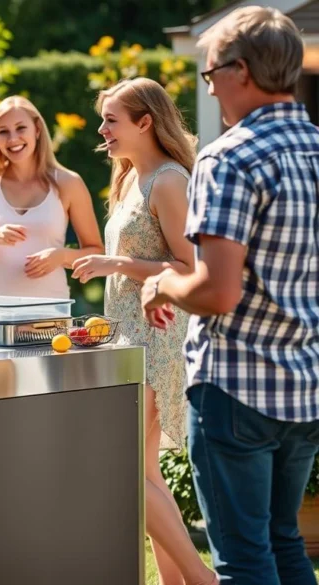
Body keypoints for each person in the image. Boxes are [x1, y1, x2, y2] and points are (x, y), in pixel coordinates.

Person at [141, 7, 319, 583]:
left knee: (244, 560)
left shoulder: (229, 155)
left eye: (209, 71)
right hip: (307, 385)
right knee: (283, 540)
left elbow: (217, 291)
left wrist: (160, 281)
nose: (209, 85)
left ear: (241, 70)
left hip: (237, 386)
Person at [72, 78, 216, 585]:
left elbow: (188, 267)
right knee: (146, 471)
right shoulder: (131, 176)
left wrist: (116, 262)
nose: (102, 129)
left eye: (112, 119)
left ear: (145, 122)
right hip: (128, 337)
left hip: (157, 337)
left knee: (129, 468)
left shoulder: (170, 181)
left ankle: (203, 579)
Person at [0, 96, 103, 298]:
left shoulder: (68, 183)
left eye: (20, 128)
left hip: (48, 313)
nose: (13, 139)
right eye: (3, 132)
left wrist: (61, 256)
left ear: (37, 129)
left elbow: (96, 252)